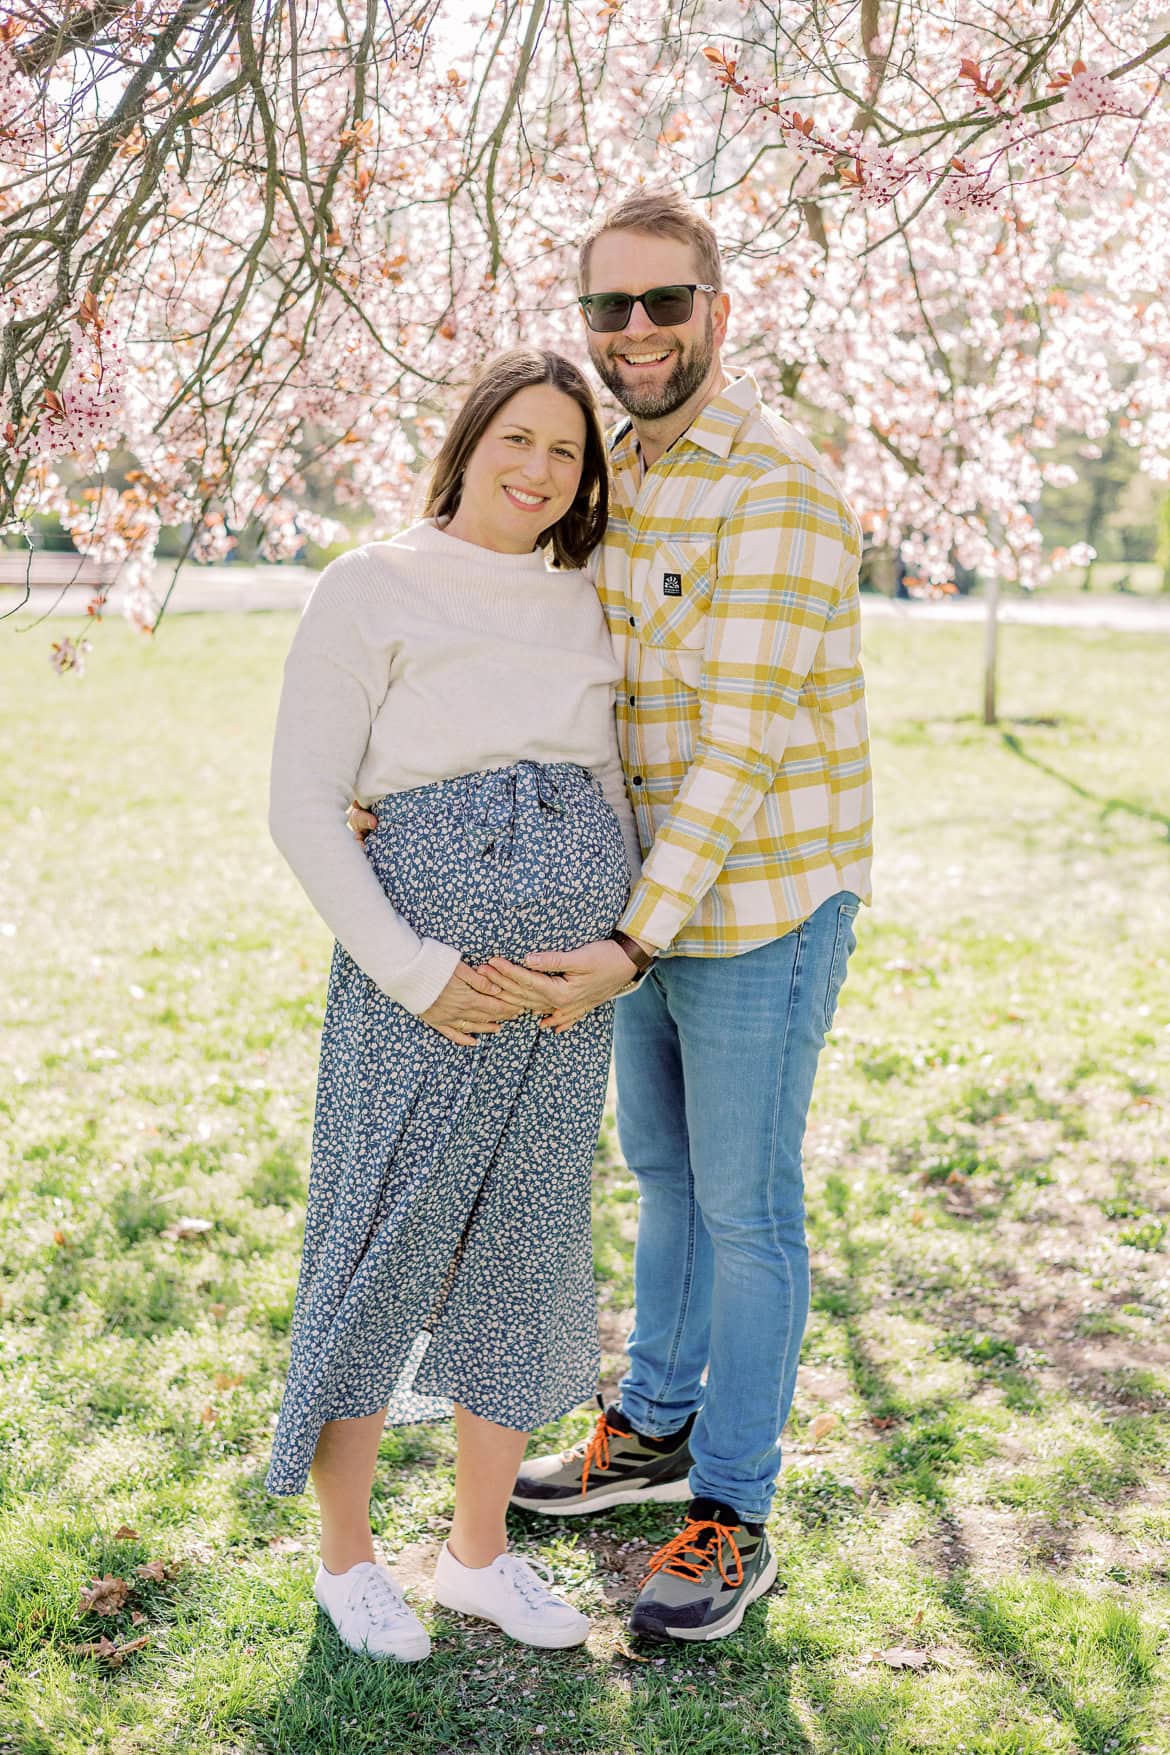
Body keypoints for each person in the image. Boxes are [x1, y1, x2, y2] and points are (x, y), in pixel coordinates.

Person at [484, 189, 874, 1643]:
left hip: (754, 902)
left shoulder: (774, 487)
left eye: (662, 305)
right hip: (636, 901)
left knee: (748, 1209)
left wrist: (631, 939)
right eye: (608, 309)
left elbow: (738, 749)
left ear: (718, 312)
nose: (634, 334)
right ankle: (648, 1428)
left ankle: (731, 1511)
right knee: (663, 1175)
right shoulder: (608, 471)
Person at [266, 347, 646, 1661]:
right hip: (414, 988)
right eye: (519, 439)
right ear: (470, 438)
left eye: (566, 452)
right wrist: (418, 975)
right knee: (380, 1250)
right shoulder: (368, 586)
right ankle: (349, 1559)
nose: (540, 470)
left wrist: (605, 947)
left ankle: (478, 1557)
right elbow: (305, 805)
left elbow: (608, 783)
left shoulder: (586, 606)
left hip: (558, 1002)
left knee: (525, 1259)